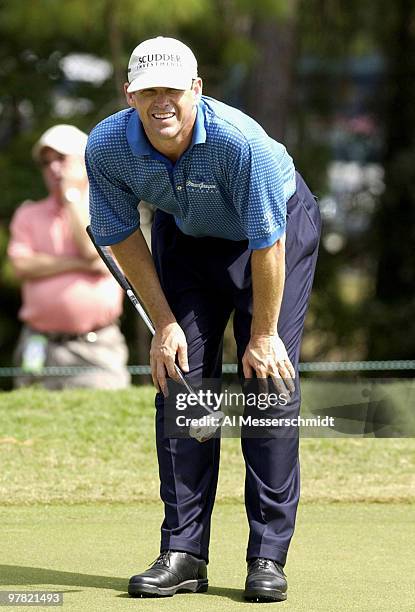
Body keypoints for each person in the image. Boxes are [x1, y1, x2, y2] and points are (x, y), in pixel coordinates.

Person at [86, 36, 321, 602]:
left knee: (268, 383)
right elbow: (119, 232)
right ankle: (184, 552)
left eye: (172, 88)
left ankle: (267, 557)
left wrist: (263, 336)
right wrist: (162, 323)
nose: (159, 101)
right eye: (147, 91)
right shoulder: (107, 146)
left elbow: (268, 244)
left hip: (269, 236)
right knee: (182, 380)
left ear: (196, 89)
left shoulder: (243, 146)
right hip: (186, 236)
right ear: (129, 96)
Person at [8, 124, 130, 390]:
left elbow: (92, 250)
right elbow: (20, 266)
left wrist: (72, 198)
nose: (53, 168)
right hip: (37, 343)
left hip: (95, 346)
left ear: (84, 160)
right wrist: (78, 264)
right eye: (46, 162)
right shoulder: (28, 213)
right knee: (28, 416)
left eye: (61, 159)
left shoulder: (109, 208)